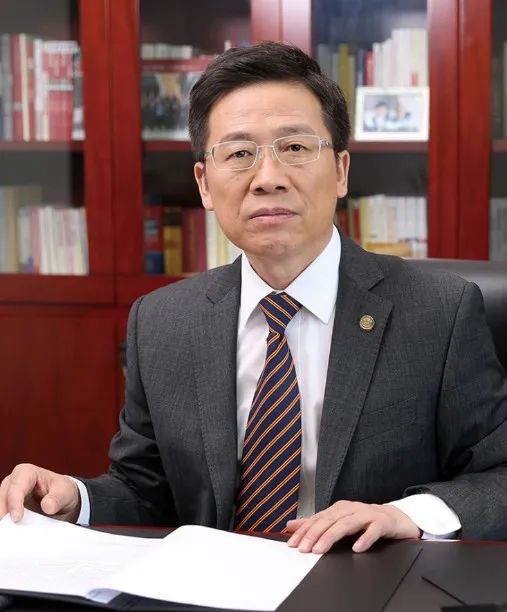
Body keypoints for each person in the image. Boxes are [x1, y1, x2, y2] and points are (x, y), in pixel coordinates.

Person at [1, 42, 507, 555]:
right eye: (240, 154)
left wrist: (406, 515)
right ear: (204, 184)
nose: (268, 179)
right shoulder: (162, 321)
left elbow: (499, 476)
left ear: (340, 171)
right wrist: (76, 499)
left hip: (365, 583)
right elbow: (147, 490)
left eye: (295, 148)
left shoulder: (439, 311)